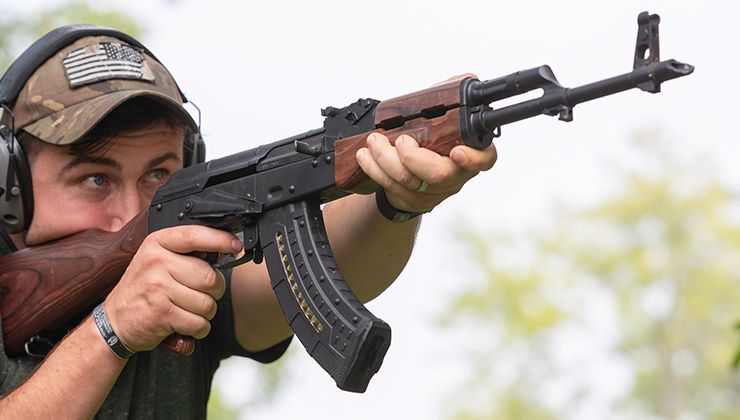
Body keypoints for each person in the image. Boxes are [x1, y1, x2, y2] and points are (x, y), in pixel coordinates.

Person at [0, 28, 497, 418]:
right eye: (94, 179)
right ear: (11, 183)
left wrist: (399, 198)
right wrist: (111, 331)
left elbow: (326, 274)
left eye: (158, 174)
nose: (131, 211)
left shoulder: (183, 277)